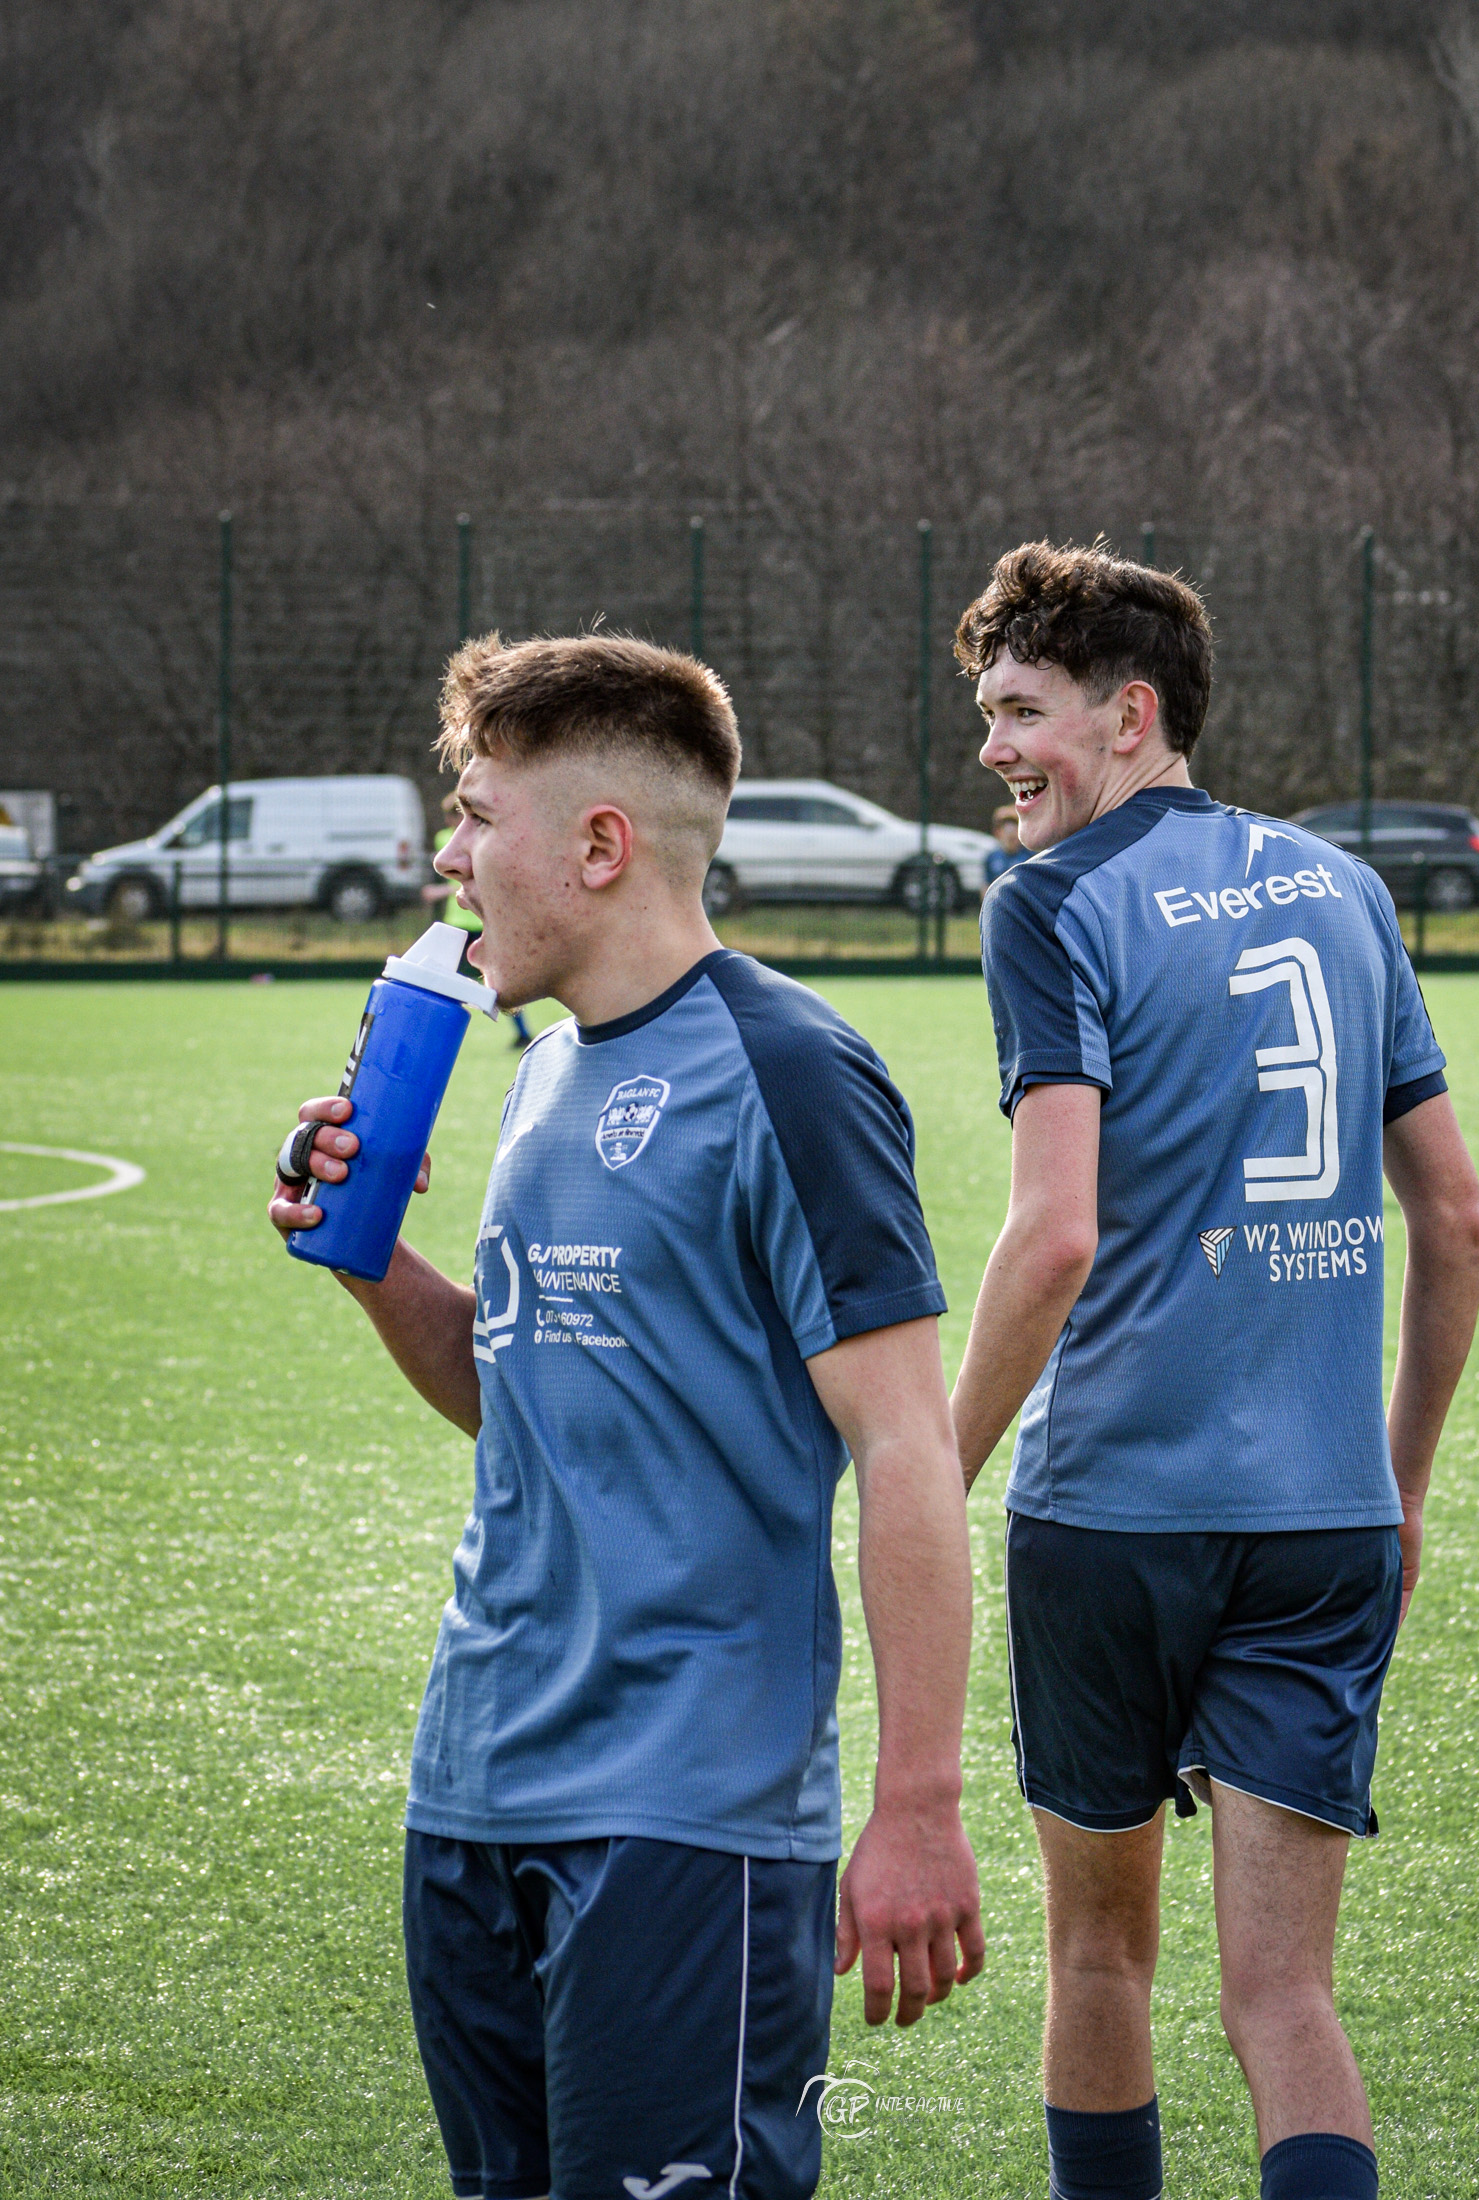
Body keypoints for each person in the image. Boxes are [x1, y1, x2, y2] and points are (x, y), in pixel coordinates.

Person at [268, 633, 983, 2200]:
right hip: (471, 1788)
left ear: (600, 844)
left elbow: (908, 1448)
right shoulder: (537, 1076)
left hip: (689, 1824)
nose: (444, 857)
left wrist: (919, 1803)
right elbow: (516, 1396)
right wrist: (372, 1255)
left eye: (472, 815)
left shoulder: (793, 1070)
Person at [946, 543, 1479, 2200]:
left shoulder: (1048, 905)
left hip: (1114, 1515)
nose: (991, 750)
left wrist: (933, 1463)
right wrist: (1395, 1485)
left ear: (1130, 716)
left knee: (1103, 1963)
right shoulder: (1345, 889)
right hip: (1323, 1521)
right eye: (982, 714)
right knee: (1287, 1993)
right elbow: (1454, 1220)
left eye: (1021, 711)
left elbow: (1052, 1242)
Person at [425, 788, 533, 1049]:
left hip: (478, 920)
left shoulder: (481, 839)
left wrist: (444, 890)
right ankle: (435, 1032)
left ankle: (522, 1031)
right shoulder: (444, 840)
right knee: (441, 979)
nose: (452, 824)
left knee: (498, 984)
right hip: (456, 921)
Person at [984, 801, 1028, 892]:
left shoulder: (1029, 856)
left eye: (1014, 827)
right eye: (1006, 828)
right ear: (998, 832)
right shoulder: (992, 857)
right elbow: (985, 886)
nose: (1010, 833)